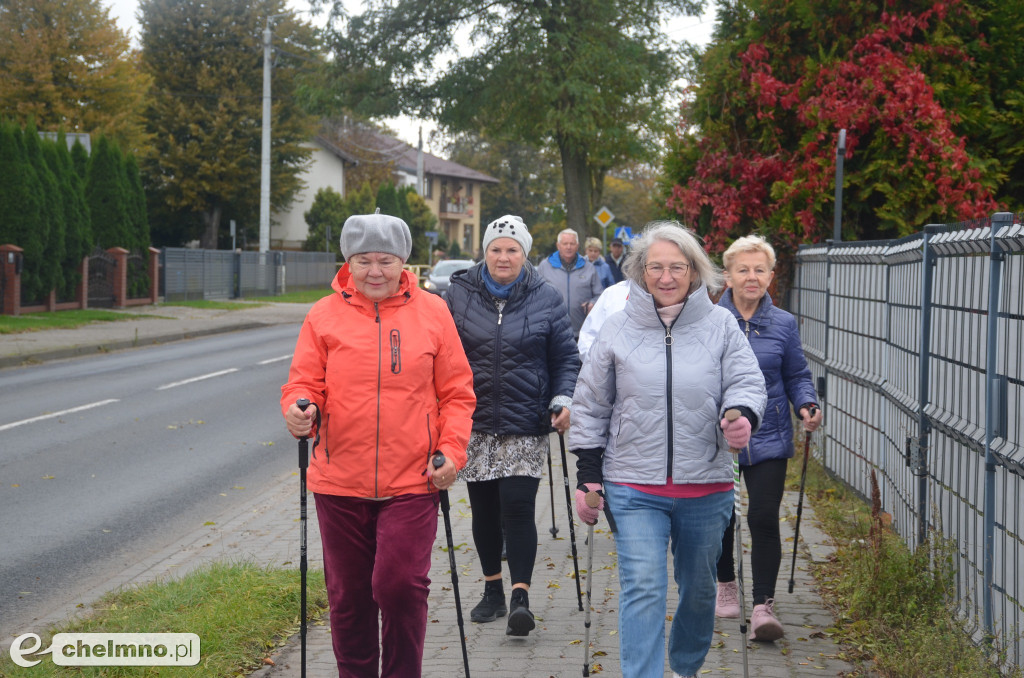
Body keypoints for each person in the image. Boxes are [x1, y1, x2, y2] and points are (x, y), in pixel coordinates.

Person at [281, 212, 476, 678]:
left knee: (400, 585)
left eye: (385, 261)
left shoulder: (433, 312)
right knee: (348, 597)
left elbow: (457, 393)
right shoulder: (323, 315)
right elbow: (303, 383)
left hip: (413, 479)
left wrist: (452, 452)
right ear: (348, 263)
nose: (374, 271)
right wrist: (299, 409)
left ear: (403, 263)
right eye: (363, 260)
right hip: (339, 482)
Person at [569, 221, 767, 678]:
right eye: (656, 267)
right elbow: (591, 403)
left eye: (677, 267)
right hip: (632, 484)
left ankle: (684, 668)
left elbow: (747, 381)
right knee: (643, 586)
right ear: (640, 271)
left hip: (707, 484)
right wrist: (587, 474)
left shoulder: (720, 325)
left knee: (700, 590)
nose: (666, 277)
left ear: (694, 271)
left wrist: (741, 415)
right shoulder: (618, 327)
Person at [445, 215, 581, 636]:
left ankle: (521, 597)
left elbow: (566, 358)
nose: (503, 257)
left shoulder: (546, 296)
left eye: (512, 250)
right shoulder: (458, 294)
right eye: (496, 249)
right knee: (485, 510)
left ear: (525, 254)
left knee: (518, 507)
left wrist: (562, 399)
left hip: (525, 420)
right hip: (474, 421)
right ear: (484, 252)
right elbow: (440, 352)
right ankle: (493, 591)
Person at [714, 234, 823, 641]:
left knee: (762, 516)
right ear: (727, 276)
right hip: (720, 436)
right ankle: (726, 582)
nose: (752, 277)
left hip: (770, 433)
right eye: (743, 269)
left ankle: (762, 605)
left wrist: (806, 404)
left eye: (760, 270)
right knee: (721, 518)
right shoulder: (709, 321)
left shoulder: (783, 323)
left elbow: (796, 373)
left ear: (771, 276)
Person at [536, 228, 604, 339]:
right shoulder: (545, 266)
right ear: (558, 245)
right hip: (552, 331)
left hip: (581, 332)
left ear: (577, 246)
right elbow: (534, 295)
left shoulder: (588, 267)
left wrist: (592, 303)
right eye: (565, 244)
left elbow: (600, 295)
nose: (568, 247)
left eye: (572, 244)